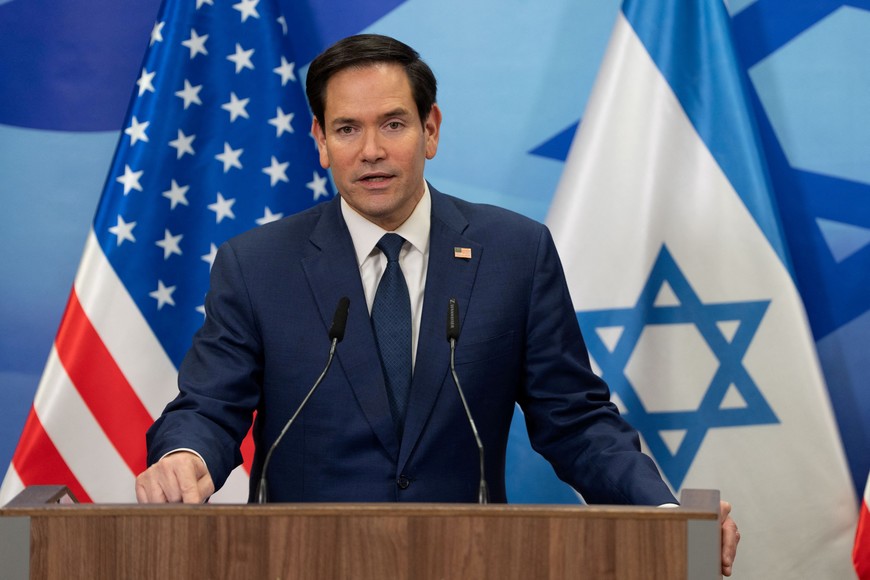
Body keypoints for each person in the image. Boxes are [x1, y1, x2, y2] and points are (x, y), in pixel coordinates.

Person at [135, 34, 739, 575]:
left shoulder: (514, 253)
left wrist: (663, 513)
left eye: (393, 124)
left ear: (431, 129)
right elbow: (210, 406)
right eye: (347, 129)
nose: (371, 150)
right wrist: (185, 457)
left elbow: (576, 421)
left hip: (468, 561)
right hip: (300, 560)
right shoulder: (257, 263)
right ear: (320, 141)